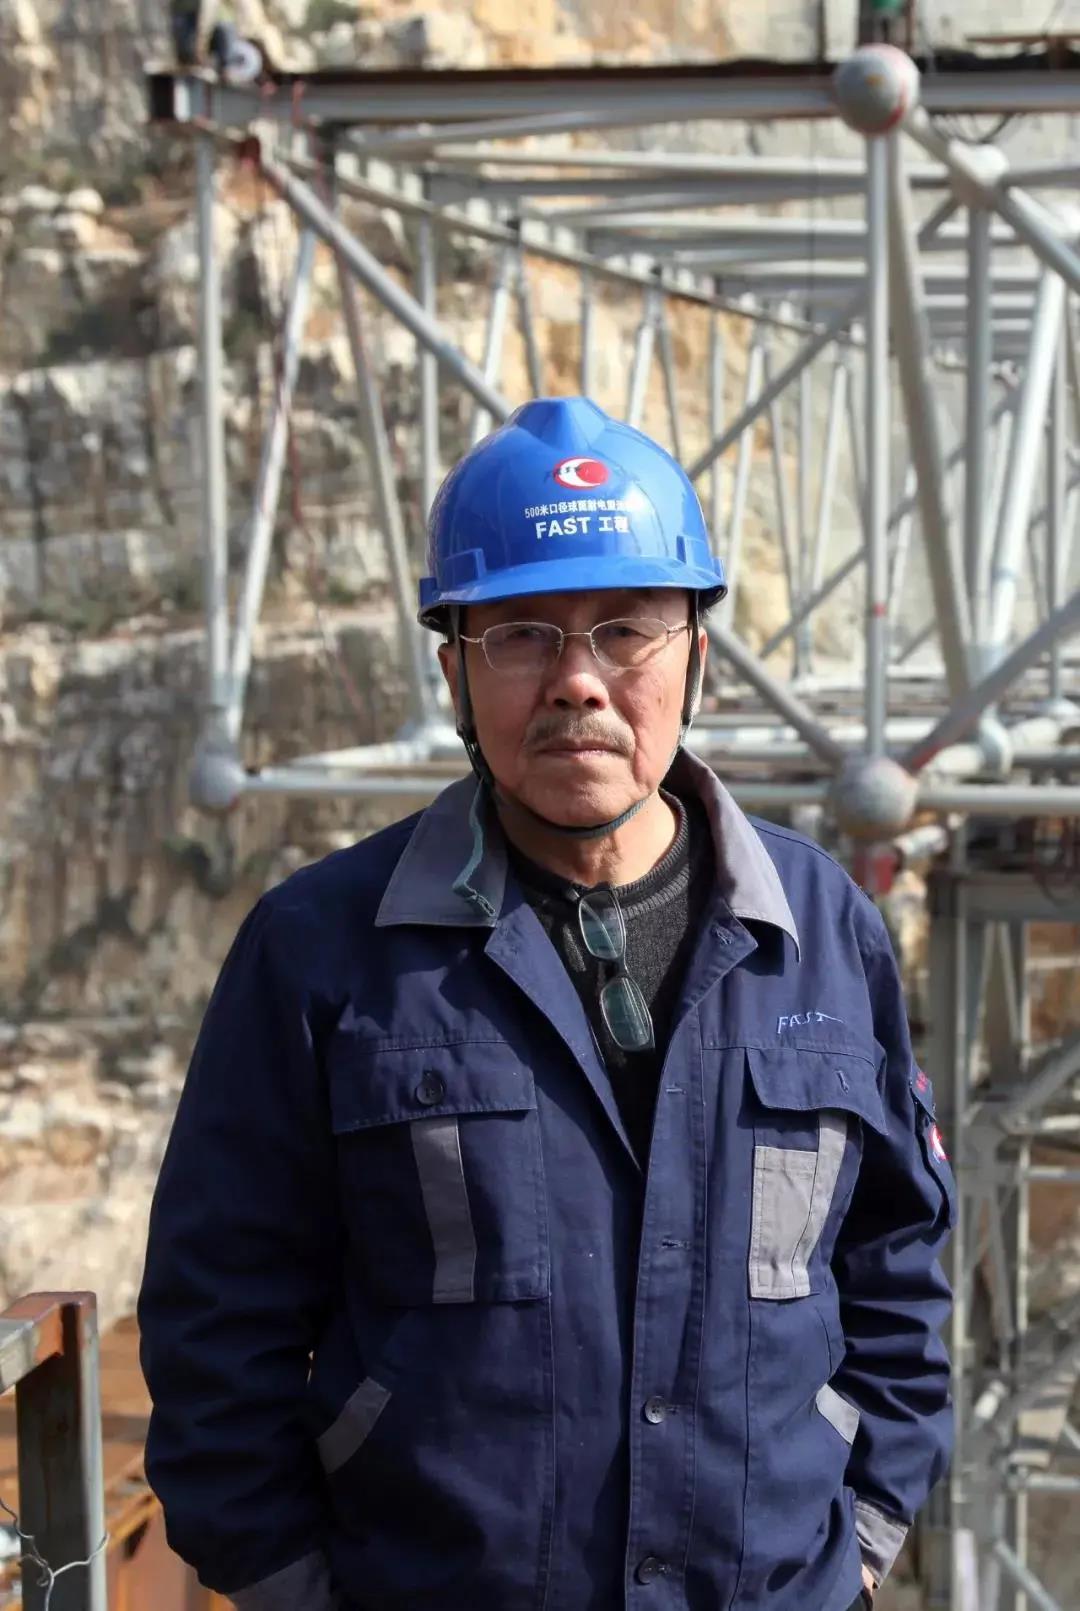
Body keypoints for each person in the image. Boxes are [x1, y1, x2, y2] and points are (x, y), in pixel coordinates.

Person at [138, 397, 955, 1611]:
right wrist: (289, 1585)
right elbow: (217, 1318)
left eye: (626, 630)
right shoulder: (321, 952)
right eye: (522, 635)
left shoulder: (822, 931)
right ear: (454, 671)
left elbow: (897, 1264)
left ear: (697, 656)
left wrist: (865, 1537)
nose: (578, 682)